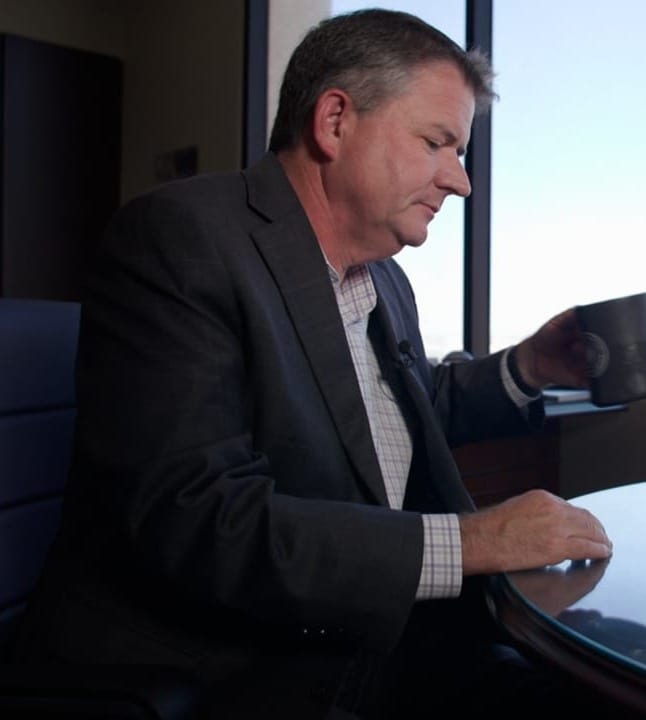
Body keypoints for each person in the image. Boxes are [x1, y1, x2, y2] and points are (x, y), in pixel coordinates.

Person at [16, 9, 615, 719]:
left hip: (386, 643)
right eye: (437, 143)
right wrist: (471, 540)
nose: (461, 183)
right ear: (334, 121)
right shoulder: (180, 240)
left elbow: (402, 408)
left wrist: (531, 367)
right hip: (243, 675)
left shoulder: (383, 279)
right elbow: (202, 524)